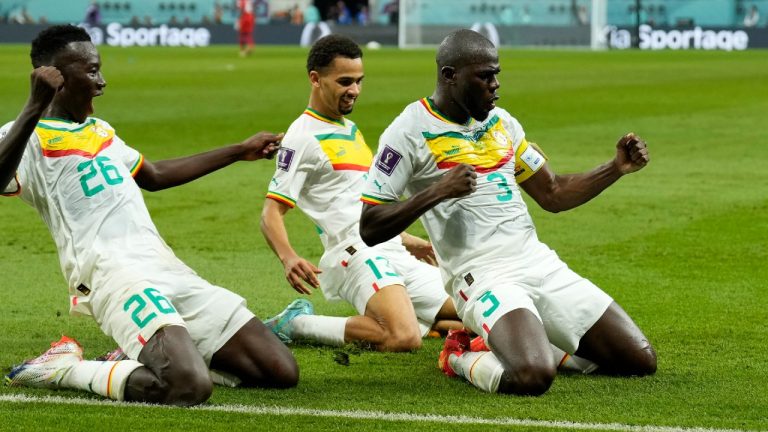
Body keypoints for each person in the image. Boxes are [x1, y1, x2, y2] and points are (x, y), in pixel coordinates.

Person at [0, 25, 297, 406]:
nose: (102, 81)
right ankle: (64, 368)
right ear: (56, 78)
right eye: (91, 72)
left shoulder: (101, 130)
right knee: (189, 387)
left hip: (165, 267)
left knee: (279, 371)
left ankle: (144, 354)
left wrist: (239, 150)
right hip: (113, 276)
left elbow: (153, 176)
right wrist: (33, 106)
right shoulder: (26, 136)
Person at [359, 29, 657, 396]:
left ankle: (535, 341)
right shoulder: (408, 131)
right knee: (533, 376)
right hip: (481, 277)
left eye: (496, 74)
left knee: (639, 360)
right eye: (485, 76)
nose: (495, 85)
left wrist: (615, 168)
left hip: (536, 262)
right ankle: (459, 354)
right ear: (450, 75)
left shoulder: (503, 123)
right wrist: (437, 191)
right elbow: (370, 225)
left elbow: (554, 192)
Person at [260, 34, 462, 352]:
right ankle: (297, 324)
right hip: (356, 253)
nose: (354, 90)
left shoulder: (350, 130)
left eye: (358, 81)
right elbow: (271, 212)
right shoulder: (302, 136)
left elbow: (354, 201)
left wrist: (409, 241)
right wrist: (288, 257)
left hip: (391, 250)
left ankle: (420, 320)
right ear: (315, 79)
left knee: (472, 309)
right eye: (344, 81)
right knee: (402, 338)